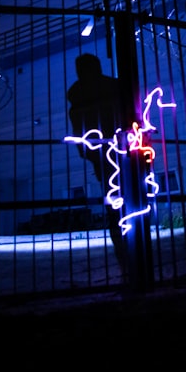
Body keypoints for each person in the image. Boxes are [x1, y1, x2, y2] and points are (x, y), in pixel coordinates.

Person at [67, 53, 127, 273]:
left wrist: (88, 151)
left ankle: (125, 258)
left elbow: (78, 129)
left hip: (101, 154)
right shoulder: (113, 86)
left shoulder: (77, 96)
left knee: (114, 204)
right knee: (131, 199)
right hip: (124, 148)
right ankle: (134, 253)